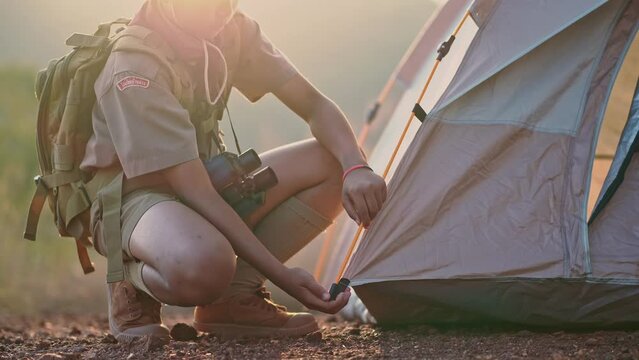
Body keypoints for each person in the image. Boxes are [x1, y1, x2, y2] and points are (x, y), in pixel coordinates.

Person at [80, 0, 387, 341]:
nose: (219, 11)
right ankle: (128, 277)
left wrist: (356, 166)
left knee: (335, 160)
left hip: (205, 178)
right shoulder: (135, 66)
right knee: (207, 264)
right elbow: (197, 192)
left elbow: (314, 105)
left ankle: (234, 299)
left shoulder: (231, 29)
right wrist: (284, 277)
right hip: (134, 201)